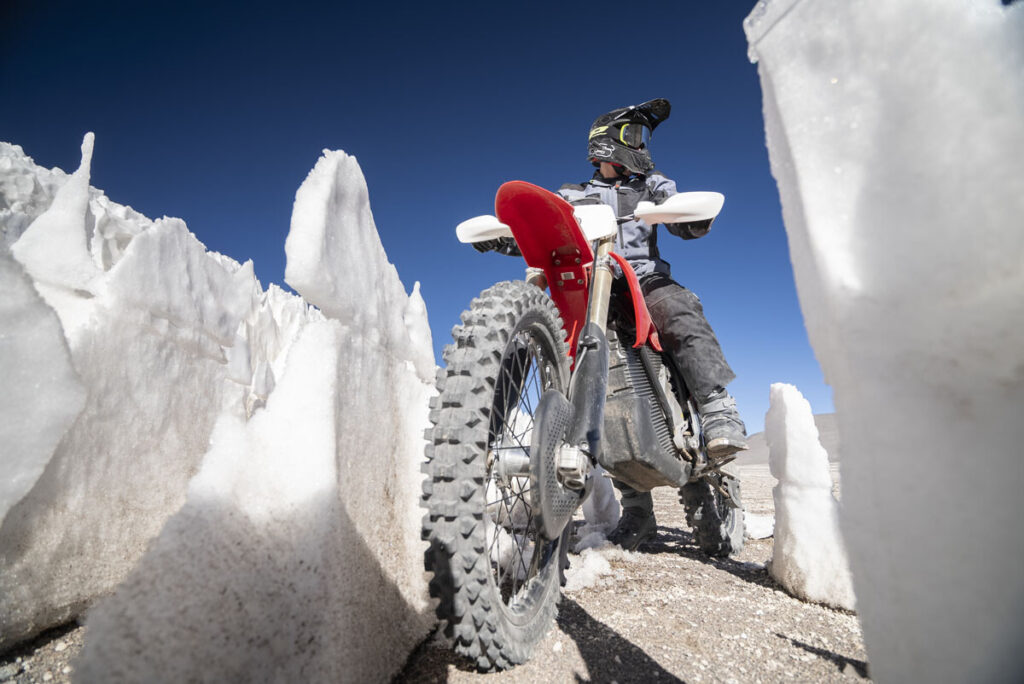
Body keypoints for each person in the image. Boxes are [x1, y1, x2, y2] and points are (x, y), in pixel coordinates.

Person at [477, 98, 747, 550]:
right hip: (591, 284)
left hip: (641, 278)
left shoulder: (653, 185)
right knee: (584, 377)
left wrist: (688, 214)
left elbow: (684, 220)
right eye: (636, 137)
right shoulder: (573, 193)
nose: (643, 147)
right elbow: (548, 227)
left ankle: (716, 407)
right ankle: (636, 511)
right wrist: (509, 234)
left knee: (677, 308)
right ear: (608, 145)